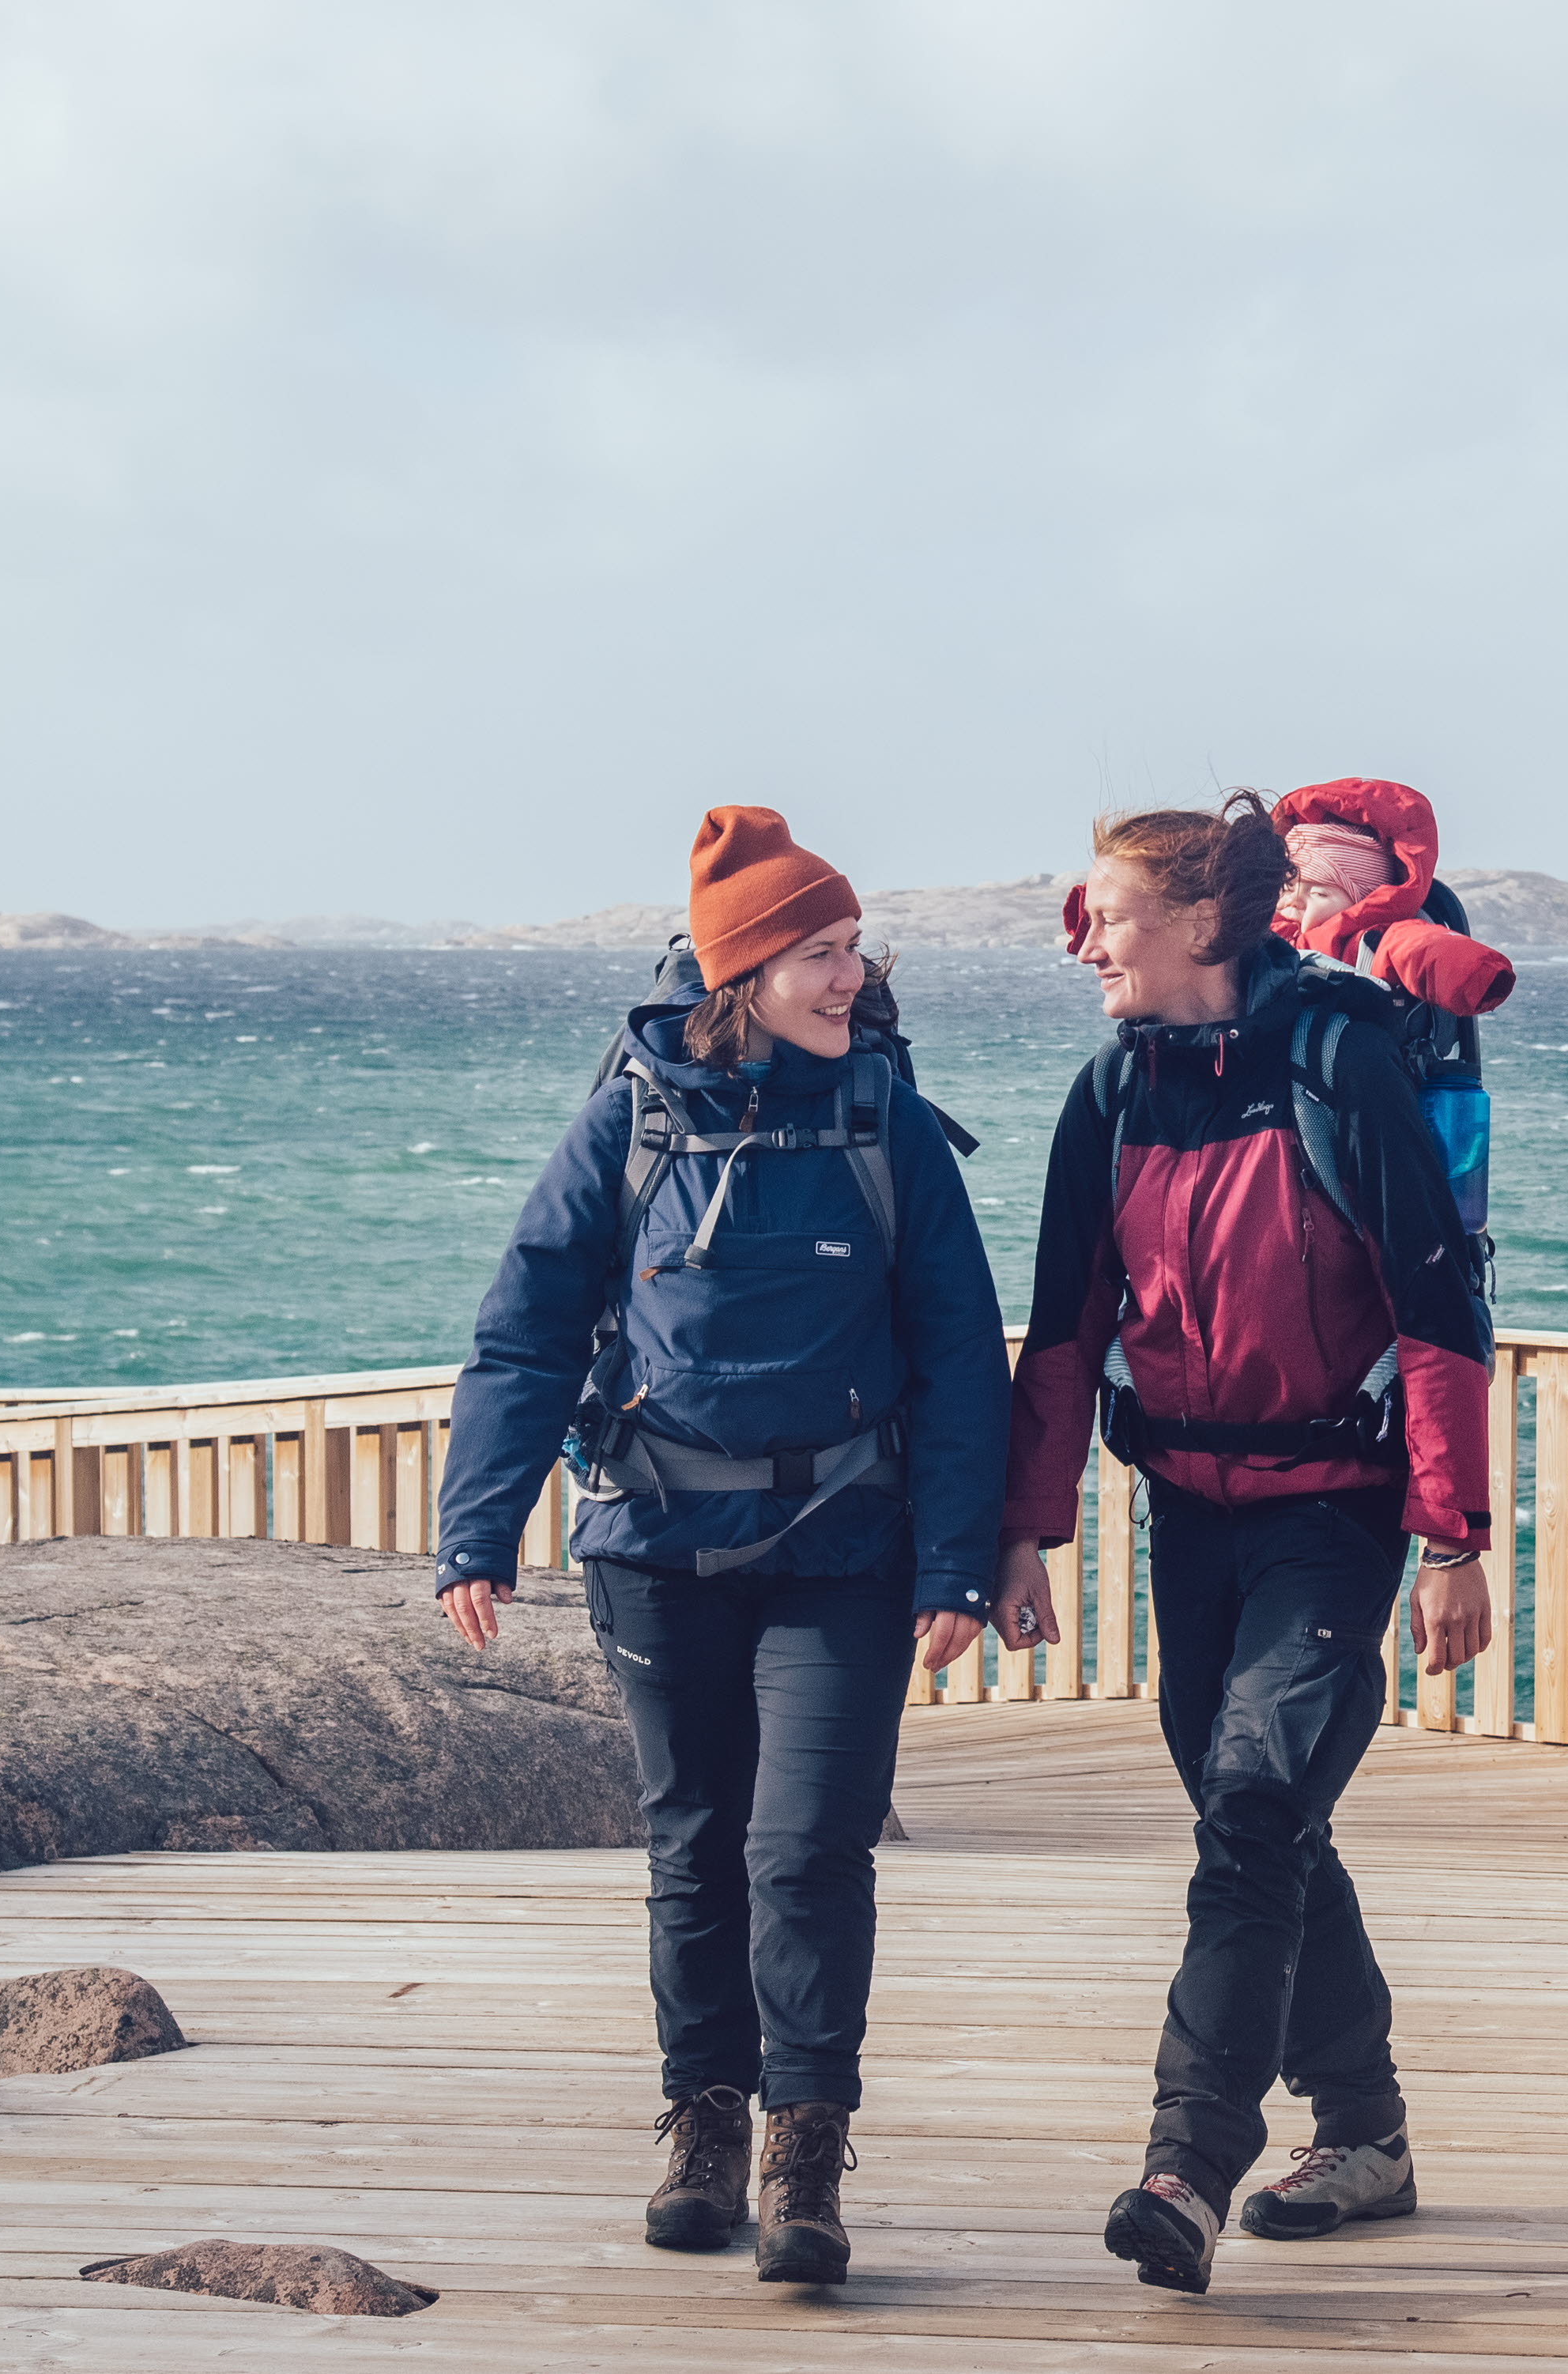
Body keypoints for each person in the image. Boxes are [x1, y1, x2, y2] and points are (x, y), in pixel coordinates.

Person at [430, 806, 1042, 2287]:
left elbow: (962, 1348)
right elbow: (525, 1330)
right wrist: (479, 1525)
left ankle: (803, 2153)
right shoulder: (631, 1117)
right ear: (744, 971)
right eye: (820, 953)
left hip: (843, 1545)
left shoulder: (881, 1116)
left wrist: (960, 1556)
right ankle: (700, 2126)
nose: (852, 977)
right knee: (694, 1845)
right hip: (651, 1537)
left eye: (851, 950)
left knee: (807, 1848)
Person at [1001, 792, 1496, 2295]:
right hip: (1187, 1521)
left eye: (1109, 909)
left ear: (1204, 924)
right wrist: (1025, 1530)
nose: (1084, 934)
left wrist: (1454, 1538)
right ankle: (1367, 2132)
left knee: (1254, 1802)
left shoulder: (1339, 1063)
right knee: (1262, 1819)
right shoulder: (1111, 1089)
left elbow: (1433, 1307)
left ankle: (1185, 2161)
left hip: (1331, 1517)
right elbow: (1069, 1326)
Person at [1269, 775, 1517, 1019]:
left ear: (1362, 900)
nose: (1295, 902)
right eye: (1288, 889)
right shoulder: (1261, 929)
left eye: (1319, 893)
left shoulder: (1375, 941)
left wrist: (1473, 975)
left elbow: (1421, 948)